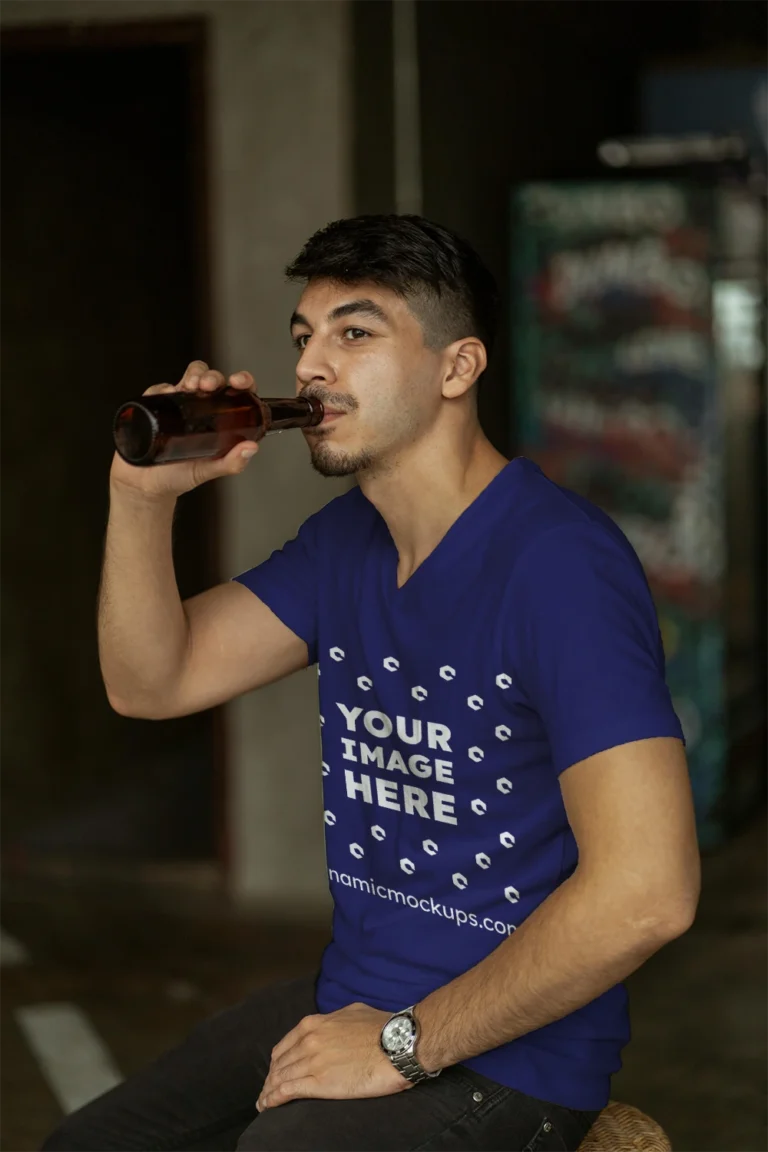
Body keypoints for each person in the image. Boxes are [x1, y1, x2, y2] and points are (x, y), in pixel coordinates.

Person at [47, 215, 700, 1152]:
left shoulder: (559, 566)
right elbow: (153, 682)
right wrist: (141, 499)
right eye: (303, 338)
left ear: (457, 367)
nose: (313, 366)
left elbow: (649, 891)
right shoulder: (344, 545)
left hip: (508, 1059)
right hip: (351, 999)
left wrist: (404, 1045)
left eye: (355, 333)